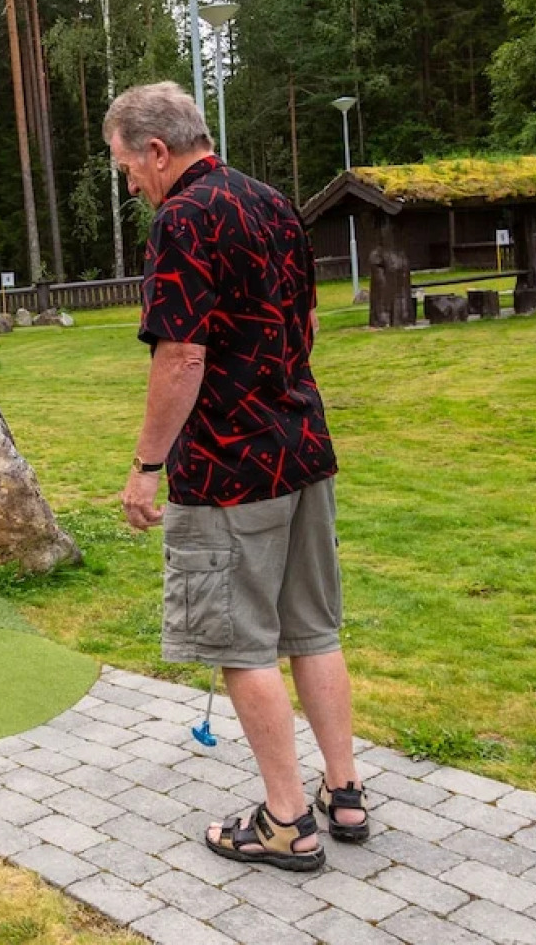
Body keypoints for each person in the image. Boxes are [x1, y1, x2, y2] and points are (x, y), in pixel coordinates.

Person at [105, 82, 366, 873]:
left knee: (242, 644)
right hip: (302, 448)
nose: (129, 185)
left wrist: (146, 466)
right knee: (313, 629)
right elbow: (307, 322)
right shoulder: (274, 202)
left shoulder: (181, 219)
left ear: (157, 151)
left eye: (125, 167)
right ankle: (344, 792)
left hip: (228, 468)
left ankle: (286, 822)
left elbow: (181, 354)